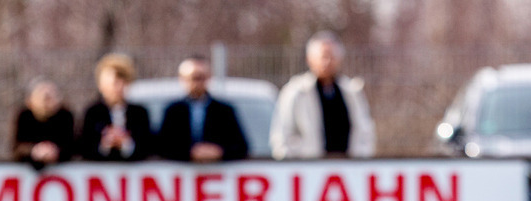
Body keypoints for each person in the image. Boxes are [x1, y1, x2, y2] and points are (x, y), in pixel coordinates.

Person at [270, 31, 376, 159]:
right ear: (309, 59)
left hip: (346, 172)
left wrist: (360, 161)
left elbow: (365, 133)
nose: (327, 62)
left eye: (332, 56)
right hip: (308, 170)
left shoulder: (352, 92)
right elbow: (282, 136)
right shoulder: (296, 92)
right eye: (323, 56)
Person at [156, 56, 249, 162]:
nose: (197, 83)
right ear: (182, 79)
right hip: (180, 173)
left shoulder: (225, 111)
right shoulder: (173, 111)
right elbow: (162, 146)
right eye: (194, 78)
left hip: (218, 173)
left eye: (201, 77)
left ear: (209, 77)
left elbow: (241, 146)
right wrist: (190, 152)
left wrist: (219, 152)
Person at [79, 53, 152, 161]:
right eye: (113, 83)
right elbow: (84, 147)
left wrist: (126, 144)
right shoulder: (93, 113)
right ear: (101, 85)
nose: (117, 88)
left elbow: (148, 147)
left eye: (121, 83)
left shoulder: (139, 113)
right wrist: (105, 145)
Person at [12, 77, 75, 169]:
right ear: (30, 101)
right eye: (43, 97)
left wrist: (55, 151)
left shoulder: (65, 116)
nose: (47, 103)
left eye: (51, 97)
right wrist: (34, 151)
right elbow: (17, 149)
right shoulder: (24, 117)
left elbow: (73, 147)